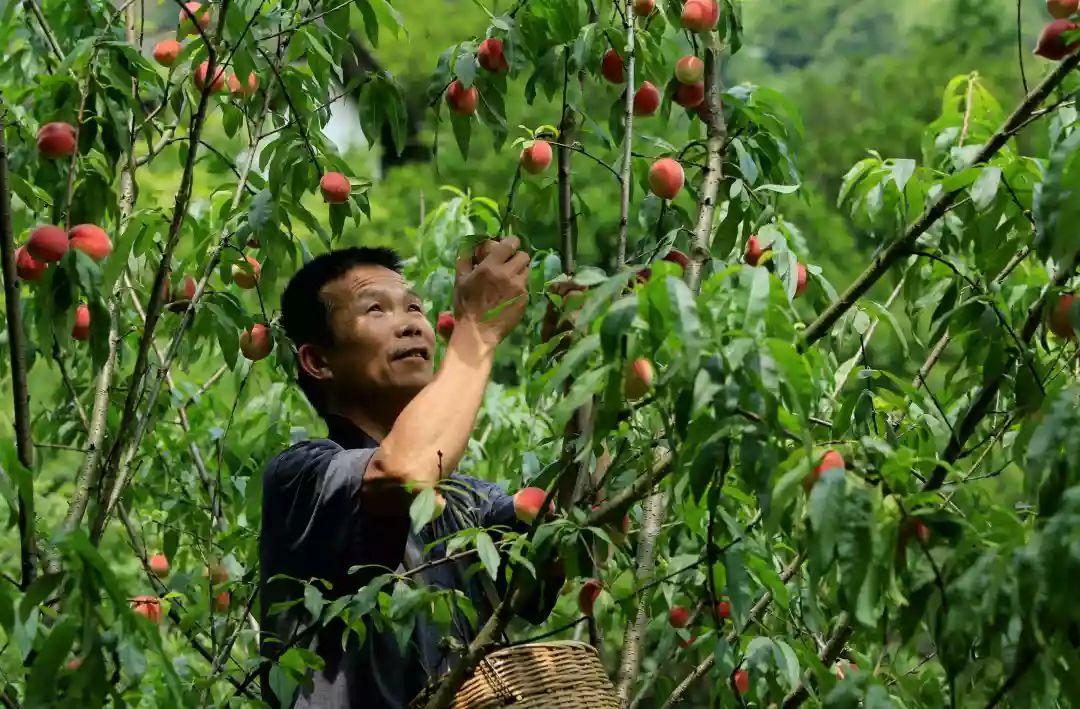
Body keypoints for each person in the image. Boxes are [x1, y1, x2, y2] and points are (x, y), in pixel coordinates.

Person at [259, 239, 559, 708]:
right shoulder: (302, 475)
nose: (411, 323)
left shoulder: (470, 503)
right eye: (375, 309)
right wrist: (476, 332)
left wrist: (592, 370)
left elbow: (575, 536)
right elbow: (401, 473)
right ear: (318, 361)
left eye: (415, 307)